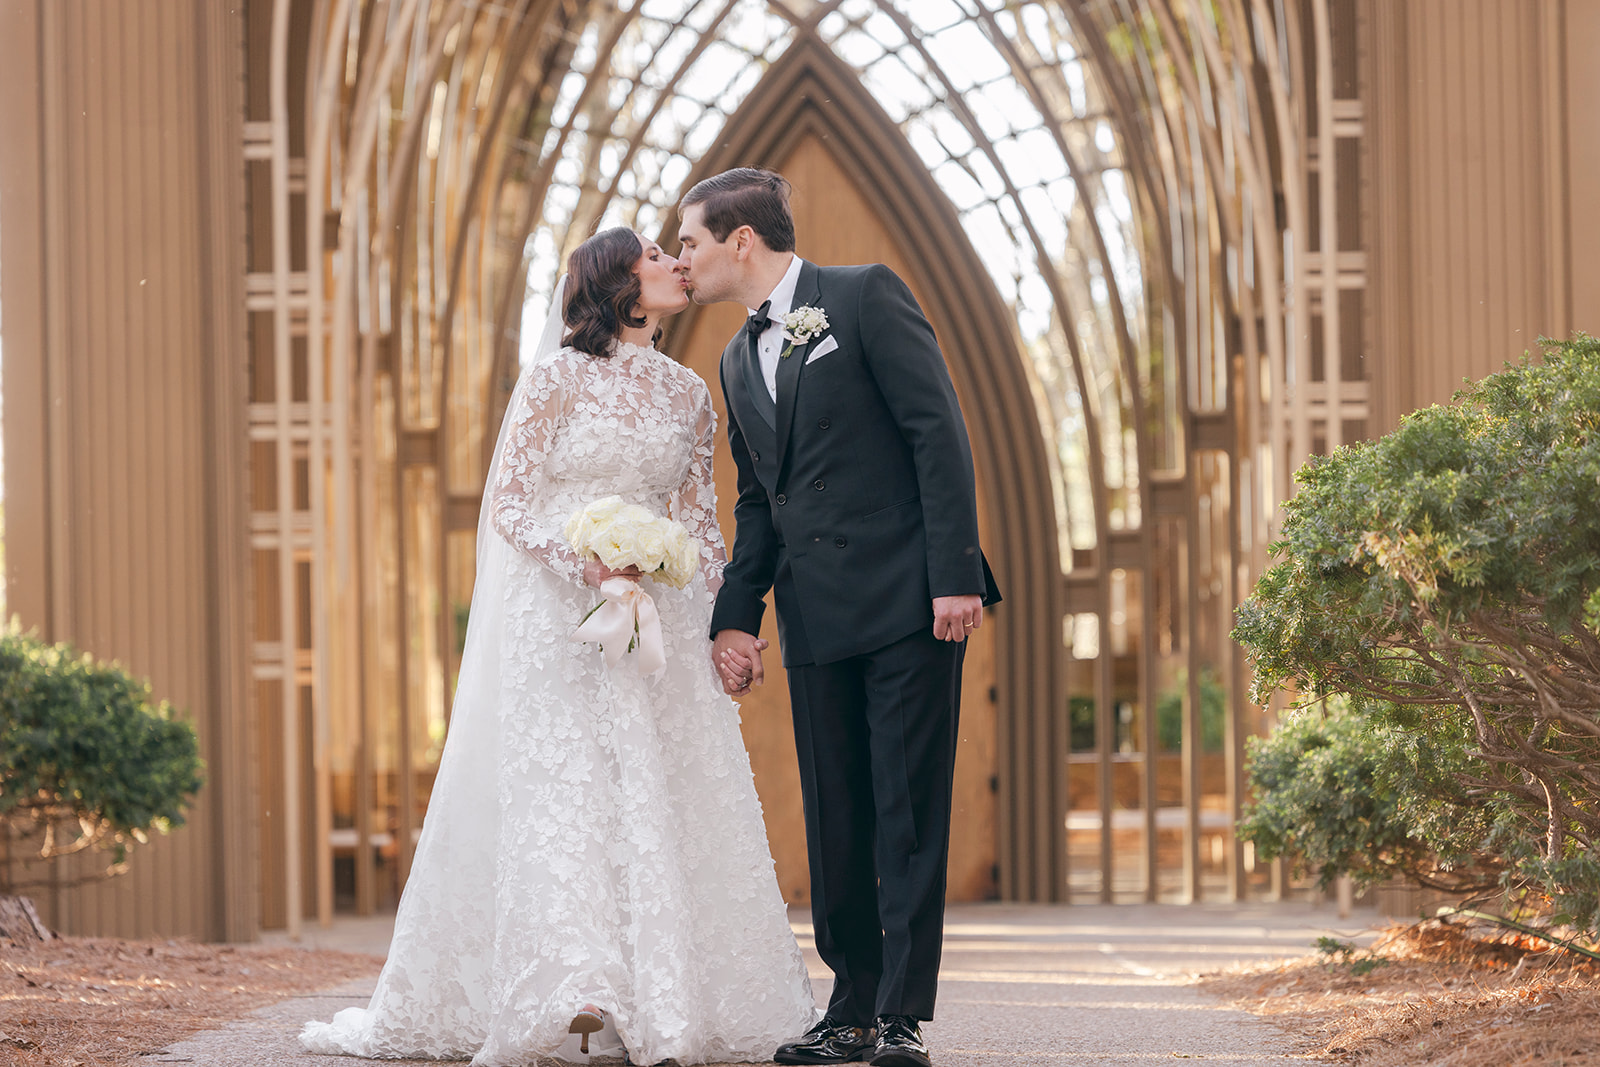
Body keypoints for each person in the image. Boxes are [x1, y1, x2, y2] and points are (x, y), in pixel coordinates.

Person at [299, 227, 817, 1066]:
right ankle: (579, 984)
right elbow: (509, 505)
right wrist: (589, 563)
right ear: (616, 281)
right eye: (655, 255)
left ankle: (667, 990)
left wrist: (724, 616)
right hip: (561, 614)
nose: (674, 264)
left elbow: (698, 519)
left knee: (663, 795)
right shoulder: (553, 381)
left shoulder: (689, 393)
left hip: (661, 612)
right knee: (568, 796)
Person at [675, 169, 1002, 1067]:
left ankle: (901, 1013)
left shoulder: (863, 296)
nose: (681, 257)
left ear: (741, 240)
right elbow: (757, 503)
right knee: (836, 814)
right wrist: (734, 618)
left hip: (908, 602)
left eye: (691, 240)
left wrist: (954, 575)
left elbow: (938, 431)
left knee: (907, 807)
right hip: (816, 616)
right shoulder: (735, 360)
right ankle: (850, 1007)